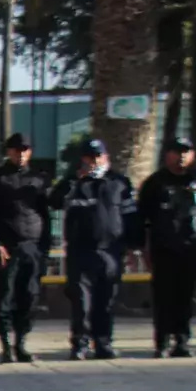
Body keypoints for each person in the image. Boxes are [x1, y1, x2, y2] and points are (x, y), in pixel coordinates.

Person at [50, 139, 138, 360]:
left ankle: (103, 342)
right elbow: (54, 201)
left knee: (106, 299)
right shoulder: (74, 181)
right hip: (81, 251)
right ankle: (80, 343)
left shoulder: (119, 182)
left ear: (106, 157)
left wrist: (133, 247)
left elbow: (131, 217)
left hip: (111, 251)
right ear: (83, 159)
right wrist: (73, 180)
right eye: (90, 157)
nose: (94, 161)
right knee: (81, 300)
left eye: (98, 156)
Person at [0, 132, 52, 363]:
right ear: (8, 151)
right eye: (17, 150)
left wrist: (44, 249)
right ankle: (6, 345)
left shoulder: (38, 179)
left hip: (33, 248)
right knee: (5, 298)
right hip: (7, 249)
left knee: (29, 297)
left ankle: (21, 342)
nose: (21, 154)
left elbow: (46, 215)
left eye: (25, 150)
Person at [138, 137, 196, 357]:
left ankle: (181, 341)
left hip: (192, 248)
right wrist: (141, 248)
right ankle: (161, 341)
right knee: (163, 296)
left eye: (186, 151)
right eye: (176, 151)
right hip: (163, 248)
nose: (181, 156)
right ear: (167, 154)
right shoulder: (155, 183)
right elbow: (142, 218)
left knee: (186, 296)